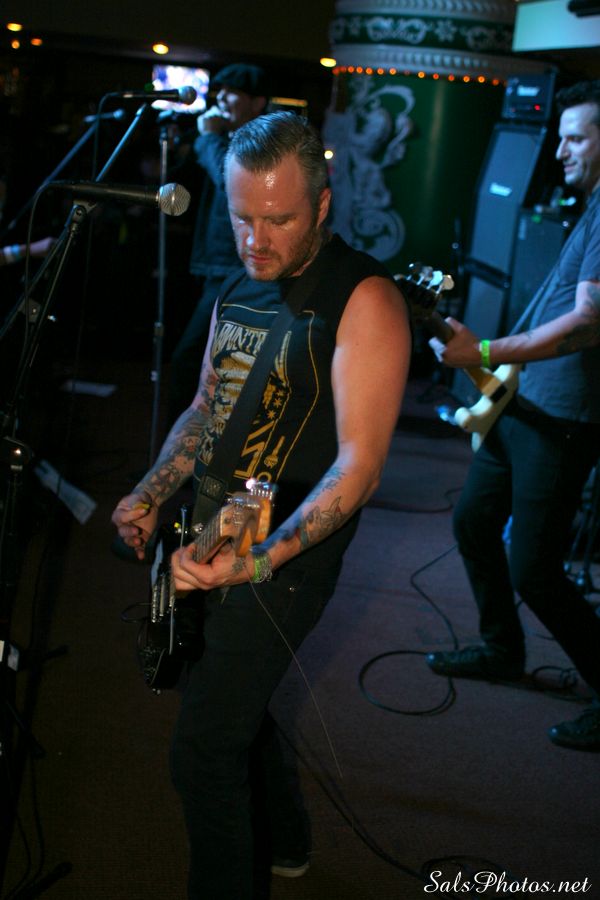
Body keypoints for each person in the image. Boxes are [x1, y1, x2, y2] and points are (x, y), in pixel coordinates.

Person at [111, 111, 411, 898]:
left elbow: (361, 466)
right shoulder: (238, 287)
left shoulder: (364, 298)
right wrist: (150, 493)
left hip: (285, 559)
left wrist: (259, 561)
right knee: (227, 699)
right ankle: (287, 838)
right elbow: (206, 409)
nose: (257, 239)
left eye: (279, 219)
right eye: (243, 217)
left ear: (322, 203)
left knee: (202, 753)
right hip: (207, 531)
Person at [426, 79, 600, 751]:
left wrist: (484, 350)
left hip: (563, 420)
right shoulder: (589, 204)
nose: (560, 151)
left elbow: (587, 324)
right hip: (523, 404)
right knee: (473, 521)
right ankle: (502, 648)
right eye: (561, 137)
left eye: (575, 137)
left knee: (535, 569)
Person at [167, 62, 270, 422]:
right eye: (219, 92)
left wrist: (208, 138)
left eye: (232, 93)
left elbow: (233, 185)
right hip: (214, 265)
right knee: (200, 360)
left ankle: (181, 447)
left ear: (257, 102)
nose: (221, 99)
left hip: (234, 268)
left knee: (192, 359)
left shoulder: (262, 142)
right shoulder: (226, 140)